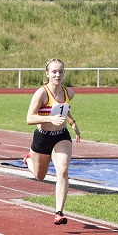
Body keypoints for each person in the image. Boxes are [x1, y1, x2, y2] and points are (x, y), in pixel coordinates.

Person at [23, 58, 81, 225]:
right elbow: (29, 118)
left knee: (62, 170)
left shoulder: (69, 93)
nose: (58, 74)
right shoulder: (41, 93)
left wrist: (72, 123)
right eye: (54, 72)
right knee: (39, 176)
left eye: (61, 71)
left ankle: (59, 212)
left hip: (61, 136)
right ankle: (28, 159)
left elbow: (65, 109)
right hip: (42, 137)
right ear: (47, 73)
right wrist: (50, 118)